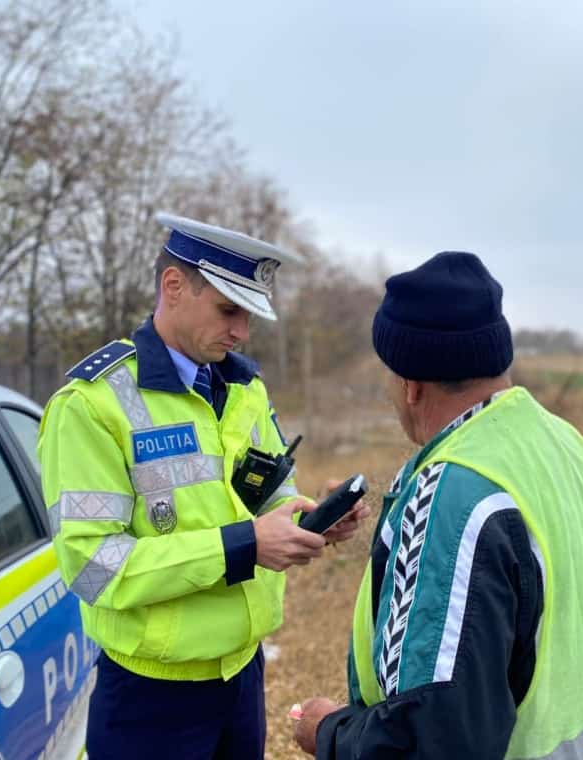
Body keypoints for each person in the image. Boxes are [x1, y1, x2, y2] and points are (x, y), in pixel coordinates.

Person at [38, 213, 368, 760]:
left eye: (249, 315)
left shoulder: (243, 387)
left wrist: (312, 519)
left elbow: (267, 493)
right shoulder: (91, 405)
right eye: (228, 310)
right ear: (173, 286)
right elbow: (91, 564)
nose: (242, 331)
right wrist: (244, 546)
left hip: (241, 675)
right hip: (150, 695)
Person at [293, 251, 583, 758]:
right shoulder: (568, 444)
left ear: (411, 386)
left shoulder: (452, 494)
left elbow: (434, 739)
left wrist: (328, 732)